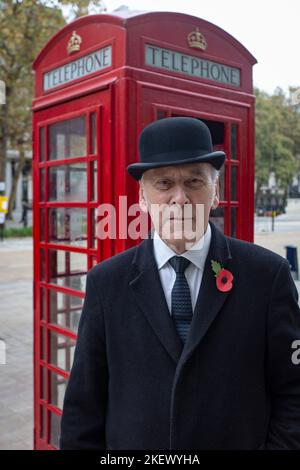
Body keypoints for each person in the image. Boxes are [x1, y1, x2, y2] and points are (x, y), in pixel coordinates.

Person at [59, 117, 300, 450]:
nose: (180, 198)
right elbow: (83, 409)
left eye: (194, 181)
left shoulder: (267, 276)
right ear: (142, 198)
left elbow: (293, 394)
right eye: (164, 183)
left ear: (215, 193)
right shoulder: (106, 284)